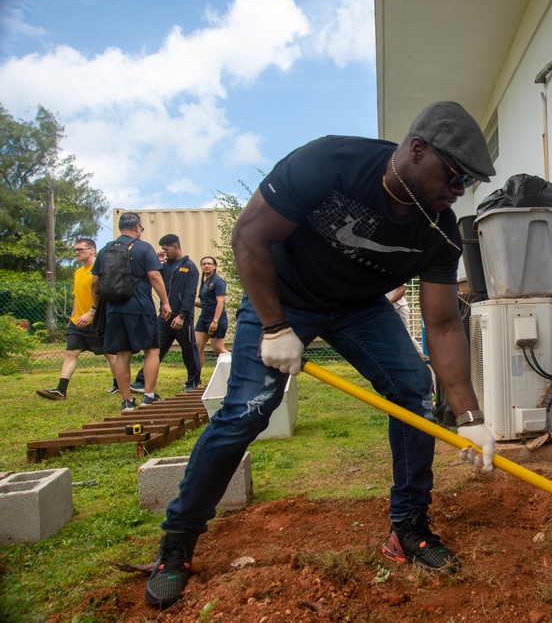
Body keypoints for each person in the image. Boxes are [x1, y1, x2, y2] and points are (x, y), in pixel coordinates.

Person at [144, 101, 499, 608]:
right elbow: (248, 236)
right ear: (418, 150)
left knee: (413, 391)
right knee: (246, 411)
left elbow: (443, 324)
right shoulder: (329, 164)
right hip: (281, 295)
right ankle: (175, 545)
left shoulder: (439, 228)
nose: (459, 190)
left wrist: (468, 414)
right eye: (457, 175)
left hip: (359, 307)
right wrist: (274, 326)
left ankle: (408, 528)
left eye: (469, 183)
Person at [92, 212, 171, 412]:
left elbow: (95, 282)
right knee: (152, 350)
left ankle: (126, 401)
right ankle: (148, 397)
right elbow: (154, 275)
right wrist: (165, 301)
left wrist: (96, 306)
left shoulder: (105, 250)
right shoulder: (144, 247)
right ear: (137, 227)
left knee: (122, 354)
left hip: (113, 309)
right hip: (140, 307)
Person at [36, 238, 118, 400]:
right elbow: (77, 297)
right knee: (70, 353)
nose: (77, 252)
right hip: (77, 322)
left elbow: (103, 296)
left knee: (110, 354)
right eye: (76, 250)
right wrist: (73, 316)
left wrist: (91, 313)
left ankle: (118, 385)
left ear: (92, 251)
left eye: (81, 249)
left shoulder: (99, 271)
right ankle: (61, 390)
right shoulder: (78, 272)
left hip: (96, 321)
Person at [132, 235, 201, 393]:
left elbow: (190, 294)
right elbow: (152, 278)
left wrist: (182, 315)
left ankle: (193, 382)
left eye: (166, 249)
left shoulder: (190, 267)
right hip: (165, 316)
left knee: (189, 349)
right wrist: (157, 262)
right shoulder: (164, 267)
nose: (164, 252)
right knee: (156, 348)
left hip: (182, 317)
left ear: (176, 247)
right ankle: (141, 380)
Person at [193, 256, 229, 373]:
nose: (206, 266)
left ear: (215, 266)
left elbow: (220, 302)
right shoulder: (205, 282)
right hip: (204, 318)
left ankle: (236, 369)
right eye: (204, 264)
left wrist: (215, 321)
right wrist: (190, 302)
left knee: (218, 348)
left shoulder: (218, 281)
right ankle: (196, 377)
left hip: (215, 319)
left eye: (209, 263)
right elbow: (206, 304)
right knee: (197, 346)